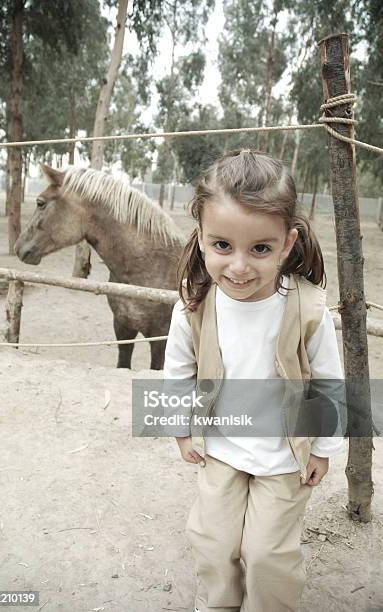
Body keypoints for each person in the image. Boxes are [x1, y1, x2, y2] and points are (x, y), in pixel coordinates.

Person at [163, 149, 345, 612]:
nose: (239, 266)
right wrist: (181, 429)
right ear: (202, 238)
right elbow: (177, 372)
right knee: (213, 541)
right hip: (220, 449)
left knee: (267, 555)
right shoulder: (194, 305)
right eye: (222, 246)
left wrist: (324, 449)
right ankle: (219, 604)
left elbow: (329, 382)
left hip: (285, 456)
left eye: (260, 248)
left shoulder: (306, 307)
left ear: (286, 244)